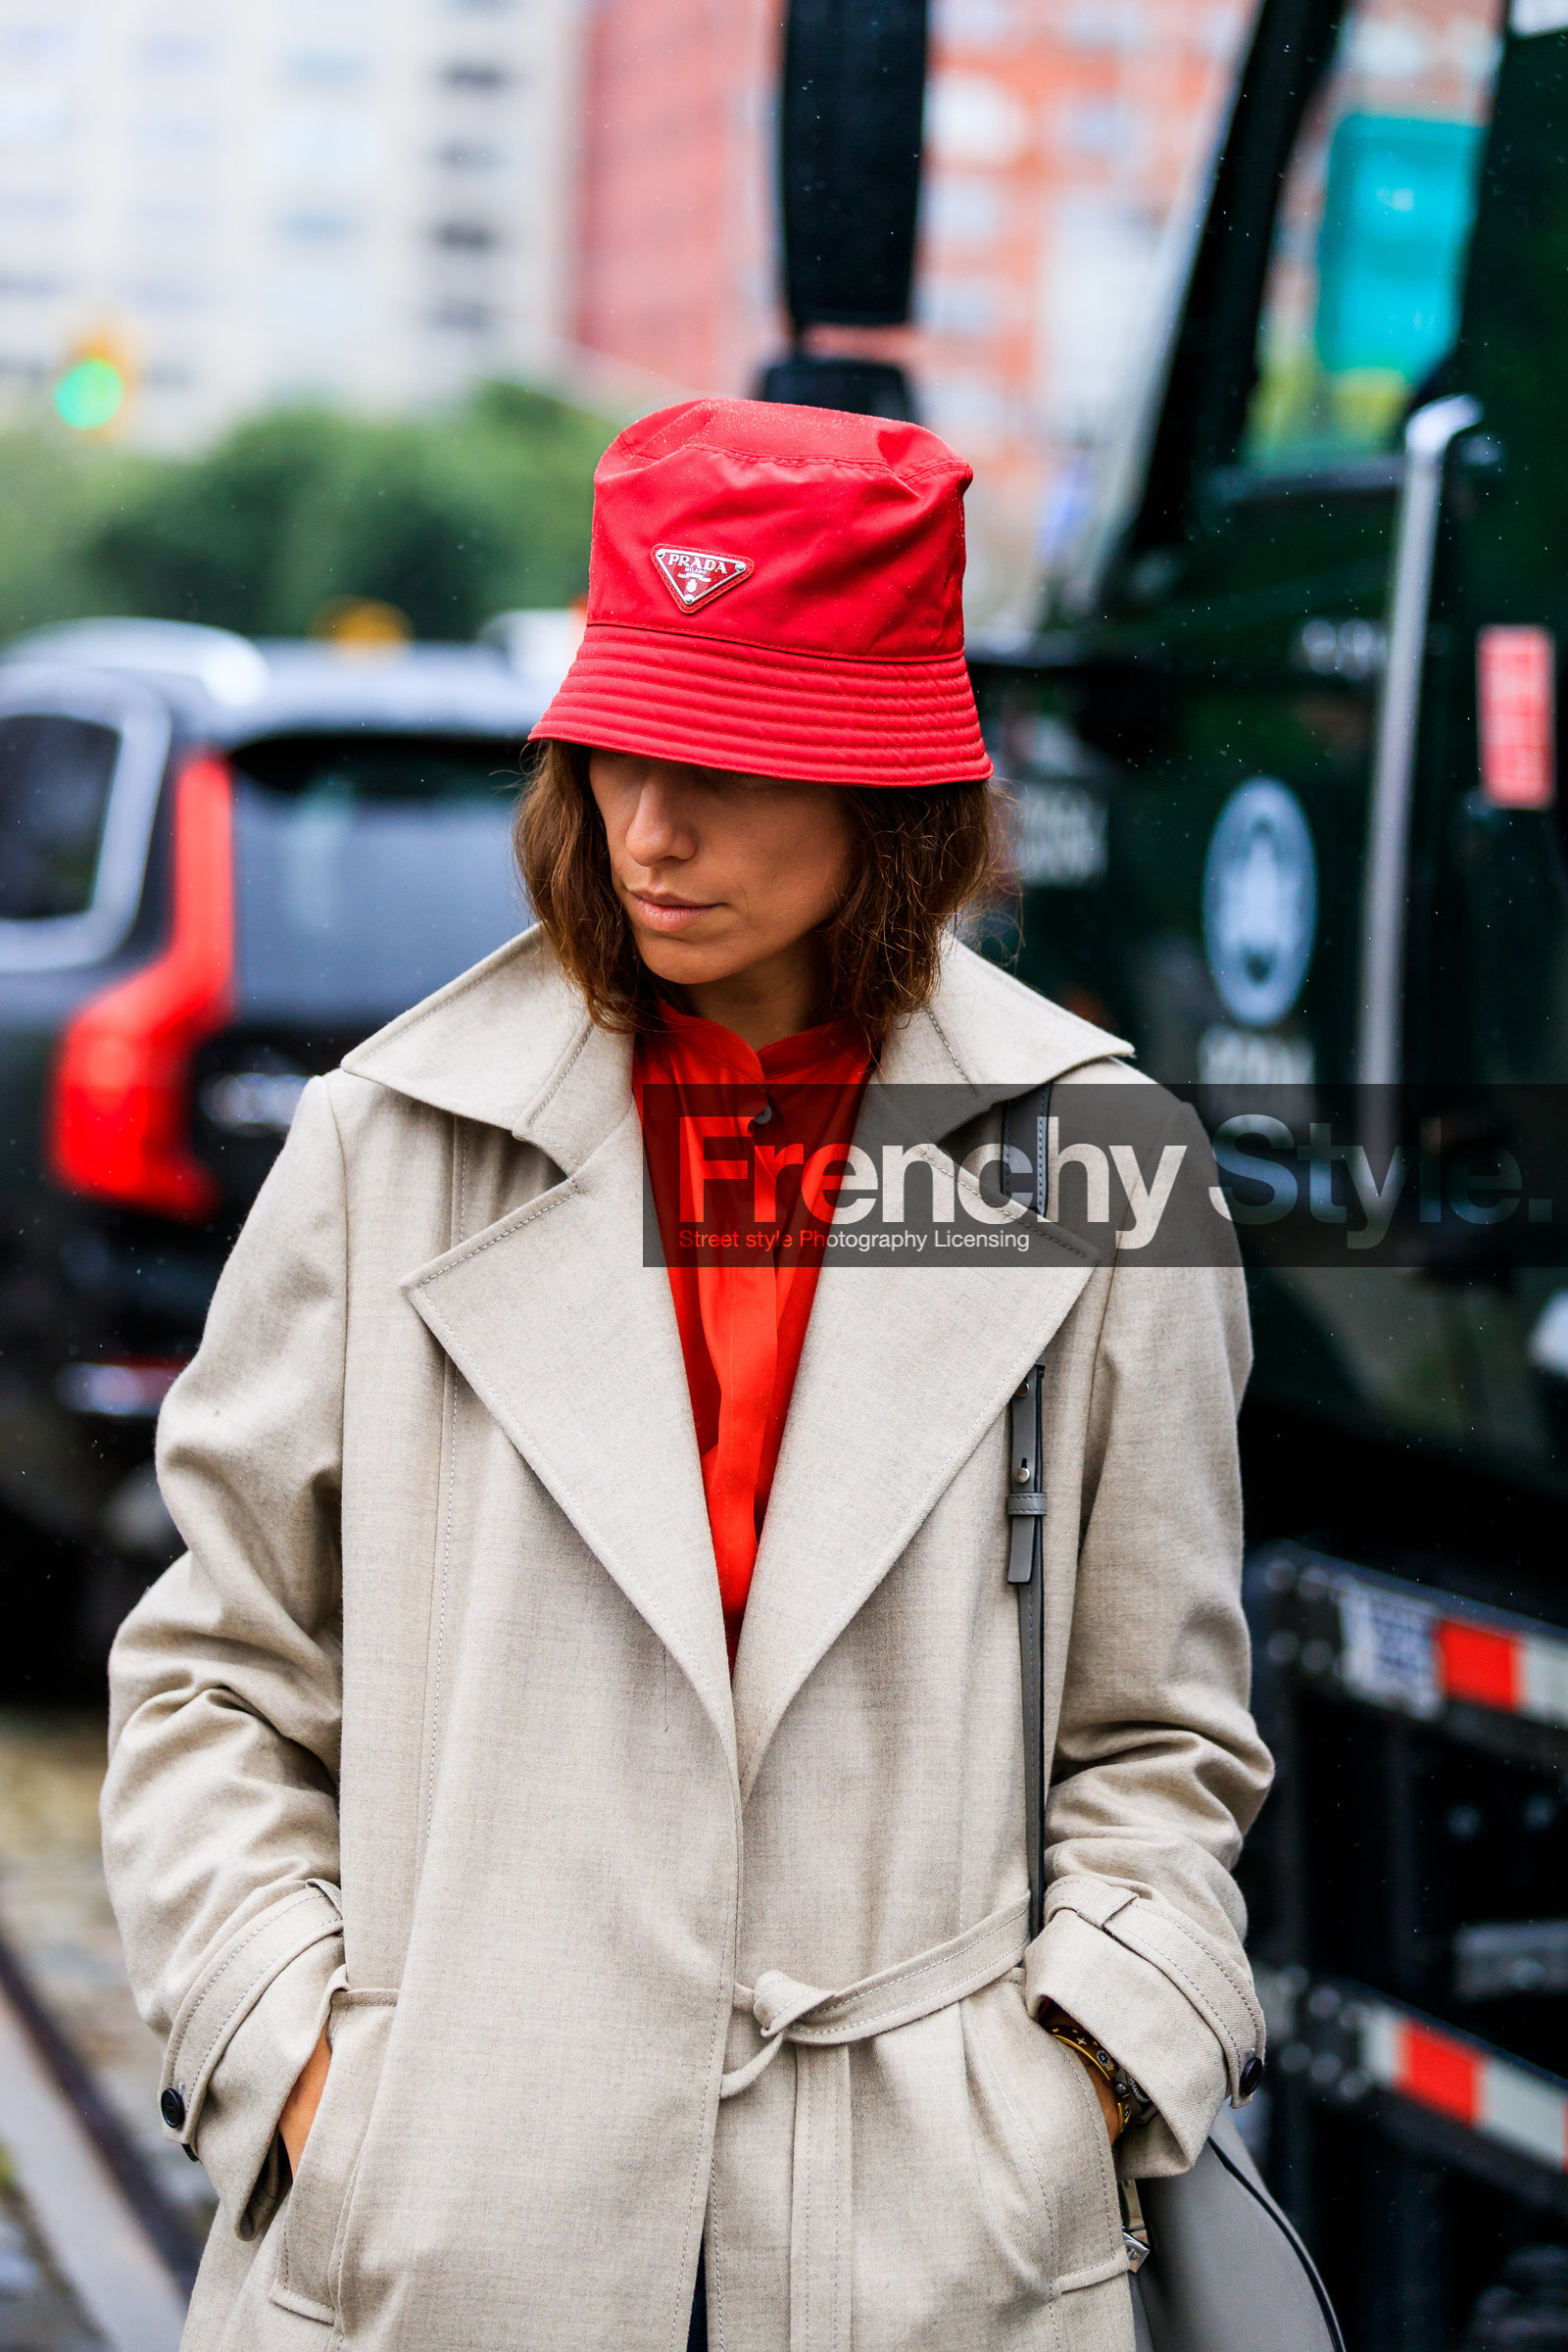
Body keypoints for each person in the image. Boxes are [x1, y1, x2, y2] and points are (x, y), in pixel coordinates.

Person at [102, 399, 1271, 2352]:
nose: (652, 828)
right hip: (446, 2237)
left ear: (891, 787)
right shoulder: (389, 1141)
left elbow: (1161, 1740)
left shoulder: (1094, 1165)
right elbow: (213, 1675)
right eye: (623, 744)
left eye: (728, 761)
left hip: (932, 2260)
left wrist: (1067, 2092)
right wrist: (306, 2076)